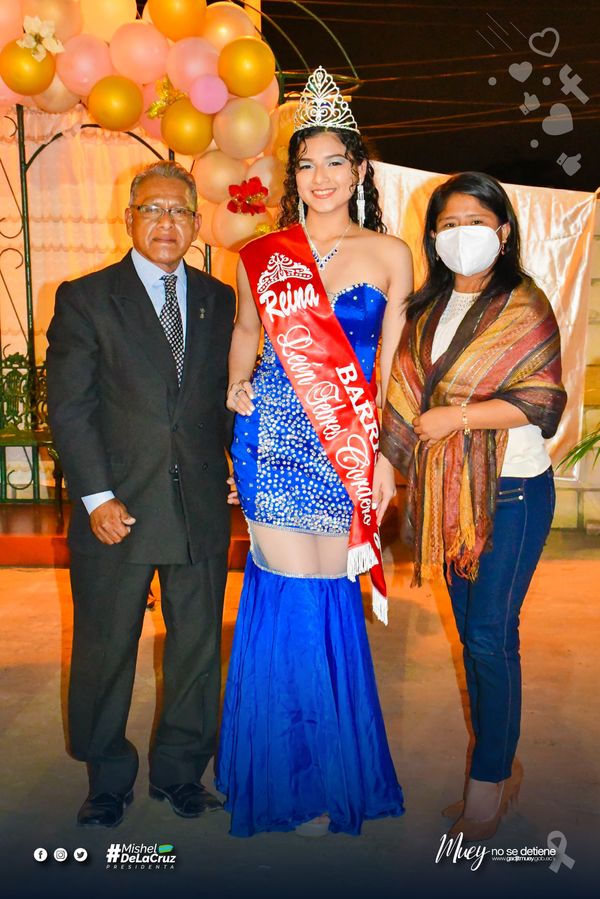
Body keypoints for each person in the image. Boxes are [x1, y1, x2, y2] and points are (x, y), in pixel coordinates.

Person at [216, 67, 412, 838]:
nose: (321, 177)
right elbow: (246, 334)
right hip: (271, 439)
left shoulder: (390, 253)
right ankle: (289, 778)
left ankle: (331, 770)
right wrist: (235, 387)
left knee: (331, 594)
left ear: (359, 170)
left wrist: (386, 454)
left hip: (346, 444)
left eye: (335, 162)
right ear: (291, 175)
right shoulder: (260, 253)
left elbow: (393, 366)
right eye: (306, 164)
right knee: (289, 591)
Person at [46, 161, 235, 828]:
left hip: (199, 507)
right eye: (152, 209)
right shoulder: (86, 297)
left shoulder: (219, 300)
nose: (165, 222)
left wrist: (248, 462)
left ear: (196, 222)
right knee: (105, 648)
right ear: (128, 219)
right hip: (117, 509)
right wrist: (96, 497)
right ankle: (107, 779)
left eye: (179, 211)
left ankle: (181, 773)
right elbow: (71, 408)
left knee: (196, 650)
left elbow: (225, 397)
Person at [381, 171, 567, 841]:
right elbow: (405, 396)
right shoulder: (426, 309)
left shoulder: (524, 303)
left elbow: (542, 399)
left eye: (477, 222)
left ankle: (486, 785)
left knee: (489, 636)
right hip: (449, 496)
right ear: (433, 237)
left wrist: (458, 418)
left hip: (513, 491)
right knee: (477, 638)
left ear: (504, 231)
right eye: (449, 225)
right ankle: (501, 762)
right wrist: (386, 469)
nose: (463, 235)